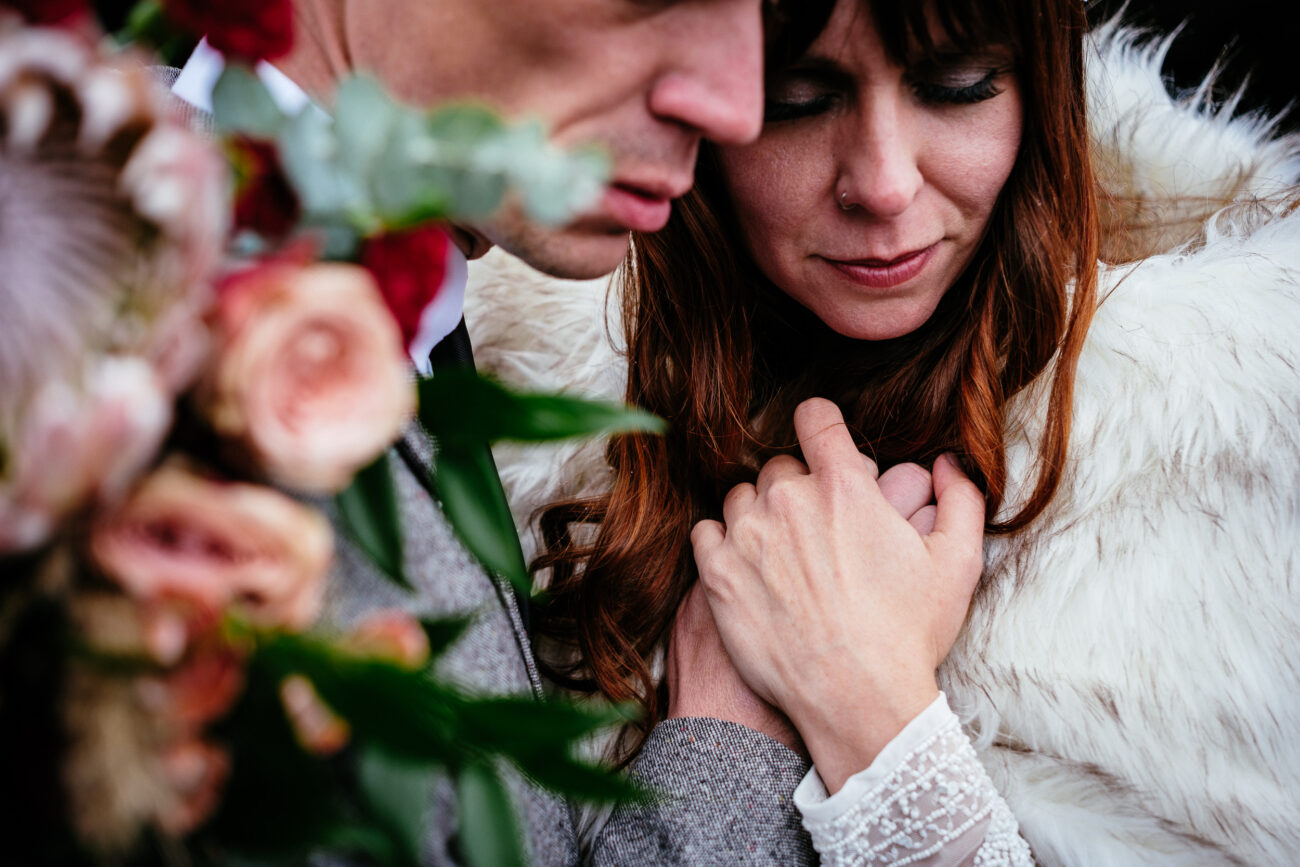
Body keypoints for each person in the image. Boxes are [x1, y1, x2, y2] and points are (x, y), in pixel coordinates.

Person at [462, 0, 1300, 862]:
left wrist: (867, 712)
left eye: (955, 86)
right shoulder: (502, 381)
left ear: (1040, 96)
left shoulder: (1239, 431)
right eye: (794, 98)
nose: (886, 182)